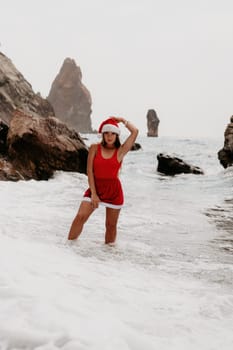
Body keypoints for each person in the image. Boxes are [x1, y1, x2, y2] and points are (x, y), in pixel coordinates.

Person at [67, 116, 138, 244]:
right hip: (95, 188)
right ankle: (68, 248)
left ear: (117, 136)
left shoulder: (120, 151)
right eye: (106, 133)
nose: (109, 136)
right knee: (80, 217)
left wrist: (122, 120)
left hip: (113, 192)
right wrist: (94, 194)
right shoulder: (95, 148)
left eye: (113, 133)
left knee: (110, 226)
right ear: (103, 135)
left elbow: (135, 132)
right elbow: (89, 171)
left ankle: (107, 257)